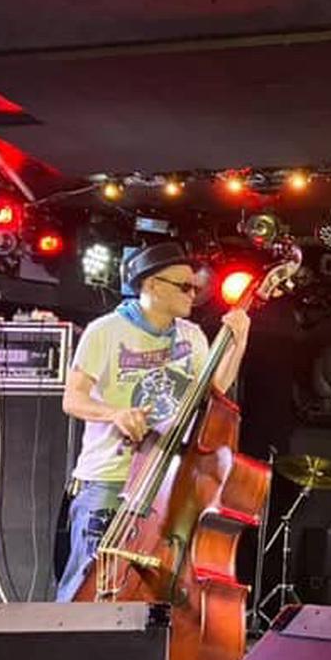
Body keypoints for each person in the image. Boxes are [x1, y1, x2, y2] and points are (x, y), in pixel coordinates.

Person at [55, 242, 251, 602]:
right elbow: (73, 399)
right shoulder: (105, 331)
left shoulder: (191, 335)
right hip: (110, 480)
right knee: (88, 585)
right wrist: (115, 413)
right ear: (153, 285)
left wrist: (238, 343)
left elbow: (213, 393)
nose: (193, 294)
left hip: (164, 482)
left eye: (195, 287)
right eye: (184, 286)